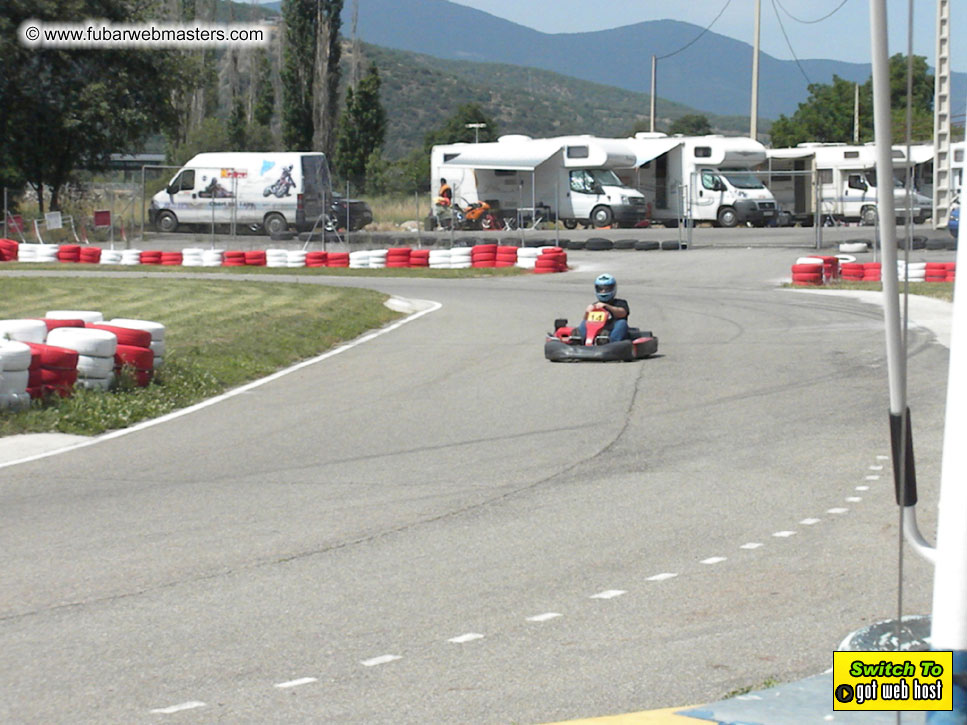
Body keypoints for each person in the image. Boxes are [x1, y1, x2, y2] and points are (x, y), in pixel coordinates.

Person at [572, 273, 630, 343]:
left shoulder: (620, 303)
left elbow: (622, 313)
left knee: (622, 323)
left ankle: (611, 342)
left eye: (606, 289)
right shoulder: (595, 305)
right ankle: (578, 339)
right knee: (585, 322)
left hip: (612, 329)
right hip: (596, 330)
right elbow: (586, 319)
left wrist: (607, 306)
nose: (603, 291)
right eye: (601, 289)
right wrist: (587, 312)